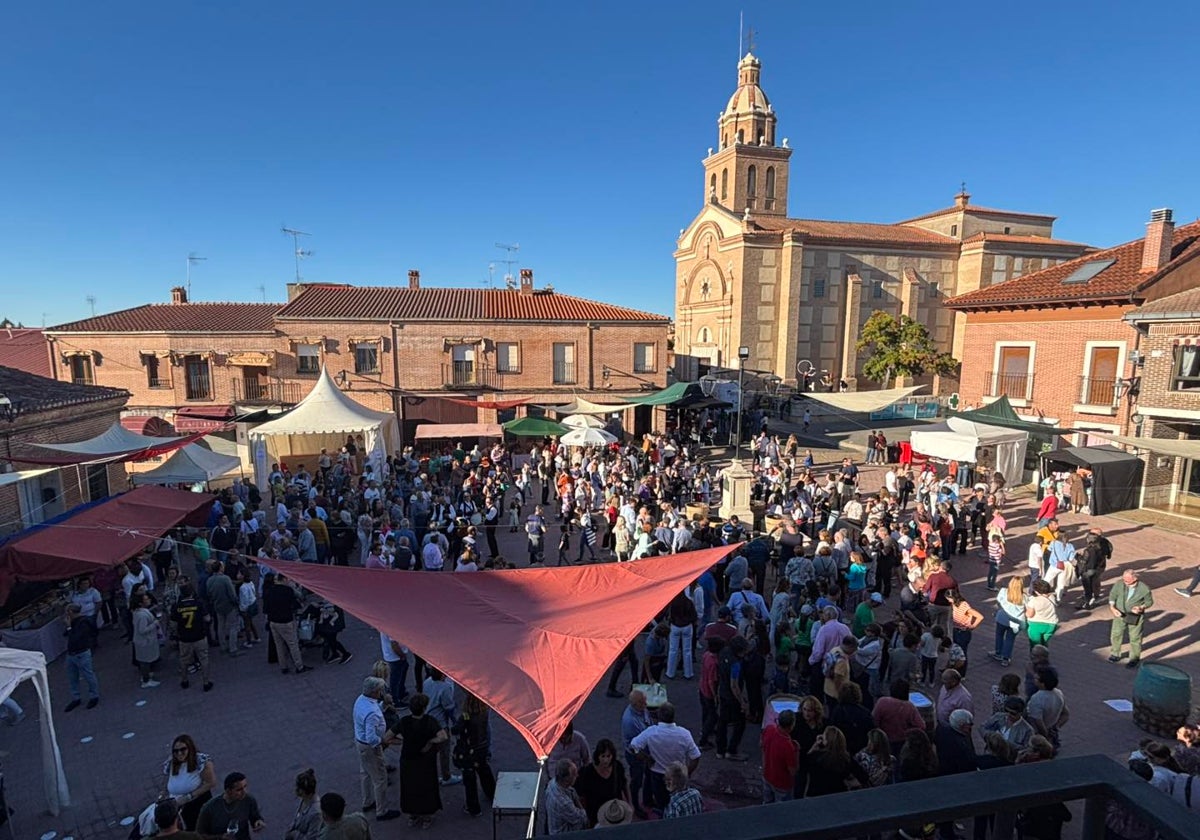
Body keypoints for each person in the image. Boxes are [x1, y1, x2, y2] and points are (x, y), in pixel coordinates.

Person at [629, 702, 701, 809]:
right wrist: (687, 772)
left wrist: (647, 758)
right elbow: (695, 757)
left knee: (661, 802)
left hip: (658, 773)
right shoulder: (684, 734)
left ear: (659, 716)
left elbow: (633, 746)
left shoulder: (651, 732)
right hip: (677, 775)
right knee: (679, 802)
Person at [354, 676, 401, 821]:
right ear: (375, 692)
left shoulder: (360, 700)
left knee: (365, 773)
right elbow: (371, 737)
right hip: (370, 747)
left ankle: (367, 801)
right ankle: (382, 810)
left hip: (359, 742)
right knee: (380, 778)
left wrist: (383, 706)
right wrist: (385, 740)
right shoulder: (372, 713)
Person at [398, 692, 447, 828]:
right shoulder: (430, 721)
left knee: (409, 787)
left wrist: (402, 740)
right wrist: (431, 741)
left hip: (408, 759)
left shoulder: (404, 722)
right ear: (424, 708)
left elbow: (387, 737)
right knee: (426, 786)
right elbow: (443, 736)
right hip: (425, 760)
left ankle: (413, 815)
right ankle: (427, 816)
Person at [452, 693, 497, 818]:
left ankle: (473, 807)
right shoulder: (484, 713)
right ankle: (491, 793)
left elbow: (455, 730)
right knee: (484, 770)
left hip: (468, 751)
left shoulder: (466, 716)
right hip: (481, 747)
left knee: (470, 779)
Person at [163, 734, 217, 830]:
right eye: (175, 751)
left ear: (190, 748)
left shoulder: (201, 761)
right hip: (176, 808)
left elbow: (211, 783)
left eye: (183, 749)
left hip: (196, 806)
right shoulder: (172, 763)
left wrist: (188, 797)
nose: (179, 753)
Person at [262, 573, 311, 675]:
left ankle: (283, 666)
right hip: (286, 621)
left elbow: (265, 609)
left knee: (279, 645)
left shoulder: (268, 591)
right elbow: (295, 605)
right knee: (293, 644)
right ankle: (299, 666)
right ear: (283, 579)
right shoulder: (287, 590)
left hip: (273, 622)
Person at [573, 738, 629, 827]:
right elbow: (579, 796)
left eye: (608, 756)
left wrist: (629, 804)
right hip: (595, 815)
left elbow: (624, 785)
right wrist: (583, 814)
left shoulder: (617, 767)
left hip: (614, 813)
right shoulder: (587, 772)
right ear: (598, 756)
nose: (606, 760)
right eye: (603, 756)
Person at [195, 772, 266, 840]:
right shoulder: (209, 808)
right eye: (239, 790)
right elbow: (200, 836)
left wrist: (258, 822)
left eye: (245, 787)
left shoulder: (249, 800)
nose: (244, 792)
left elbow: (255, 817)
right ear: (228, 791)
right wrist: (220, 837)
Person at [170, 583, 213, 692]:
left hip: (184, 637)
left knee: (184, 659)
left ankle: (184, 680)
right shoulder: (199, 604)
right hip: (199, 636)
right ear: (192, 592)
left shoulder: (177, 607)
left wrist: (177, 633)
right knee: (204, 658)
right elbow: (207, 618)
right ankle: (206, 682)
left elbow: (173, 624)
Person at [422, 669, 460, 785]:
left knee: (430, 749)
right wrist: (455, 722)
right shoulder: (445, 687)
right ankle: (446, 776)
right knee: (444, 751)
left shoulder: (427, 682)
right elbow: (448, 707)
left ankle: (429, 775)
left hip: (428, 720)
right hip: (440, 723)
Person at [620, 689, 654, 818]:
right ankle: (636, 805)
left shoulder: (641, 710)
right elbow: (633, 747)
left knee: (649, 774)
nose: (645, 705)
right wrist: (647, 758)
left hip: (645, 750)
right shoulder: (629, 721)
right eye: (642, 702)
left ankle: (647, 800)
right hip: (636, 755)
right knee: (637, 780)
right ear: (634, 704)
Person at [806, 726, 869, 796]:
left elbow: (805, 765)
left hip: (817, 794)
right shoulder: (845, 758)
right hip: (839, 794)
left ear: (825, 740)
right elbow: (863, 776)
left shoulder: (815, 756)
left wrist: (815, 745)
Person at [1109, 569, 1154, 668]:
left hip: (1135, 616)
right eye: (1124, 579)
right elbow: (1113, 595)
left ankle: (1134, 658)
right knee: (1116, 634)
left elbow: (1149, 602)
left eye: (1127, 581)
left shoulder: (1144, 589)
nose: (1125, 582)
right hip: (1119, 613)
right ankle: (1115, 653)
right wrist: (1112, 607)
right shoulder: (1119, 584)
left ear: (1135, 579)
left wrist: (1141, 607)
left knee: (1135, 637)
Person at [715, 635, 750, 762]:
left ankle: (720, 750)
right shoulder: (736, 663)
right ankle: (732, 750)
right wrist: (742, 702)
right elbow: (734, 685)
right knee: (740, 723)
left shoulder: (724, 652)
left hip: (722, 691)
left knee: (722, 721)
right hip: (732, 696)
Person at [63, 603, 100, 711]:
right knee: (72, 677)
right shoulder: (77, 622)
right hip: (72, 653)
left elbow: (75, 638)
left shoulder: (84, 622)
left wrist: (69, 627)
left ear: (71, 612)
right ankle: (76, 697)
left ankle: (94, 696)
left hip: (81, 652)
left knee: (88, 674)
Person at [760, 708, 800, 803]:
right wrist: (797, 752)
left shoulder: (769, 729)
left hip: (767, 775)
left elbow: (761, 746)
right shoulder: (788, 746)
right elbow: (793, 771)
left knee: (767, 803)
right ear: (791, 725)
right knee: (782, 809)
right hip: (782, 783)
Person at [990, 576, 1026, 667]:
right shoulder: (1025, 597)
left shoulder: (1003, 591)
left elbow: (998, 603)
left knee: (999, 635)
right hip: (1017, 621)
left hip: (1002, 618)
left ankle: (998, 653)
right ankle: (1006, 658)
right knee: (1010, 639)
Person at [545, 759, 588, 834]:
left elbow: (572, 791)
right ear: (566, 779)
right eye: (574, 774)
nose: (577, 776)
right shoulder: (563, 802)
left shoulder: (552, 783)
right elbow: (582, 819)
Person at [132, 592, 162, 688]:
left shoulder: (138, 612)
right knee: (145, 661)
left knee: (144, 660)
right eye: (146, 599)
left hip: (143, 641)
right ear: (141, 603)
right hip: (145, 641)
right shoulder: (142, 615)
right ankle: (146, 680)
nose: (148, 600)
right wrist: (155, 623)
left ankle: (146, 676)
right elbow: (142, 630)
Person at [284, 768, 321, 840]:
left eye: (298, 788)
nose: (295, 789)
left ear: (304, 791)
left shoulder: (316, 813)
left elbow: (312, 838)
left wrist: (294, 834)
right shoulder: (304, 800)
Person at [1024, 580, 1059, 649]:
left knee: (1035, 647)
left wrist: (1025, 610)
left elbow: (1030, 615)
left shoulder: (1034, 600)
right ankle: (1044, 656)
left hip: (1036, 625)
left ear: (1037, 591)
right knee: (1044, 644)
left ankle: (1036, 658)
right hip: (1051, 625)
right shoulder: (1052, 597)